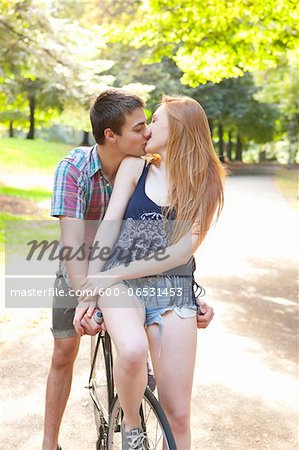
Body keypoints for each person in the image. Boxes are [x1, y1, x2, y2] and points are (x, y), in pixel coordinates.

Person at [43, 90, 214, 450]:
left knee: (177, 412)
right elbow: (91, 233)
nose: (148, 131)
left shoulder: (201, 180)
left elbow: (182, 248)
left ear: (179, 130)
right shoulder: (113, 168)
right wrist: (88, 295)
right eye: (143, 125)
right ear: (112, 136)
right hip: (102, 272)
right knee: (95, 351)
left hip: (154, 283)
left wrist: (193, 291)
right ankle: (121, 429)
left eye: (153, 122)